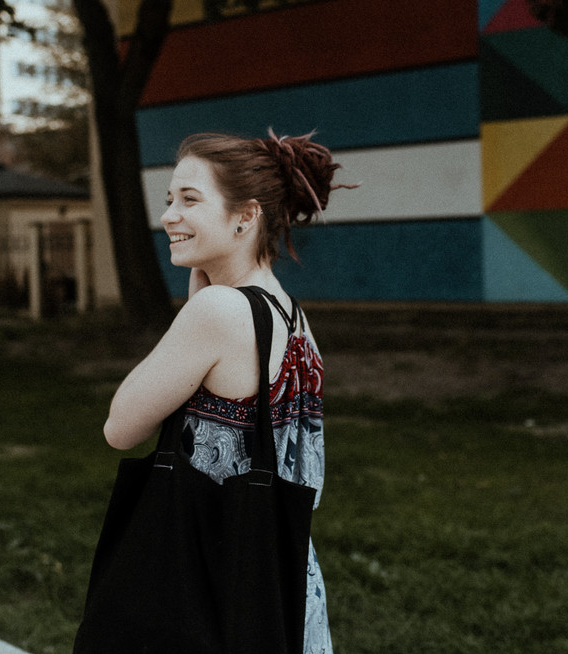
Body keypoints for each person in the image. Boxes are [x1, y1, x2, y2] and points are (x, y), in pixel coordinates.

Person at [102, 130, 355, 653]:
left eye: (189, 200)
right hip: (284, 582)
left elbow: (120, 428)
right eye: (169, 199)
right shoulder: (292, 315)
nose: (169, 215)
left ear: (246, 216)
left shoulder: (217, 311)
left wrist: (196, 307)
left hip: (215, 588)